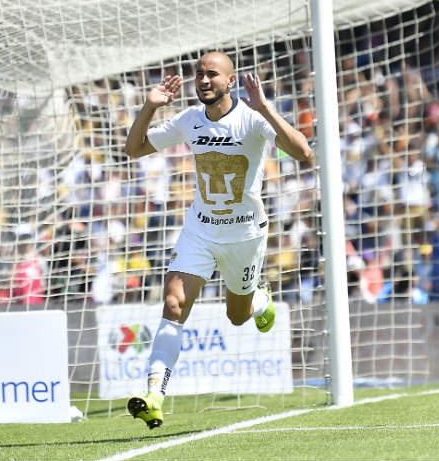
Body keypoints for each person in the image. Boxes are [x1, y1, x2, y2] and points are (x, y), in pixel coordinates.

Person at [123, 51, 313, 428]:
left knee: (237, 315)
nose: (204, 80)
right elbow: (134, 148)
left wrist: (265, 107)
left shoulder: (252, 119)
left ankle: (259, 299)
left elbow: (303, 152)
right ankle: (154, 395)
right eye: (199, 75)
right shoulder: (189, 120)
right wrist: (149, 106)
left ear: (231, 80)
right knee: (174, 302)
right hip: (201, 229)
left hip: (244, 235)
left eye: (212, 74)